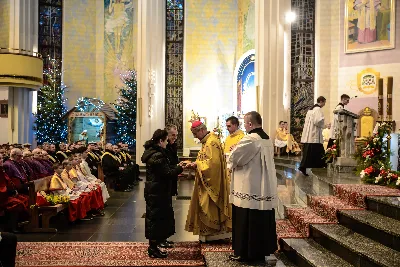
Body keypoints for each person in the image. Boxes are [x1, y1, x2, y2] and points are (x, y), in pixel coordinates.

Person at [228, 111, 278, 262]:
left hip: (249, 187)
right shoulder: (266, 138)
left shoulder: (251, 139)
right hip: (263, 186)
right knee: (260, 218)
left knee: (247, 219)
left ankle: (245, 253)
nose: (244, 126)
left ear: (250, 124)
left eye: (245, 123)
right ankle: (259, 252)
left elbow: (235, 158)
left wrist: (232, 153)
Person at [141, 129, 185, 259]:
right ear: (161, 141)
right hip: (157, 191)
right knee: (155, 219)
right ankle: (153, 248)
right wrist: (180, 167)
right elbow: (167, 173)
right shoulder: (157, 155)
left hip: (157, 190)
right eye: (166, 140)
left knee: (160, 217)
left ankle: (157, 243)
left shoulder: (155, 153)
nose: (167, 143)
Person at [185, 121, 231, 242]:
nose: (195, 137)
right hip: (205, 180)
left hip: (212, 181)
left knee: (208, 205)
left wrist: (196, 164)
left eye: (195, 133)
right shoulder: (207, 141)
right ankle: (208, 231)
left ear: (201, 130)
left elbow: (213, 164)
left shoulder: (211, 142)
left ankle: (213, 231)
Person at [299, 96, 327, 176]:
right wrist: (323, 123)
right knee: (317, 150)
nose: (324, 104)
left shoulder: (310, 110)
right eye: (324, 102)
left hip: (309, 134)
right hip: (314, 134)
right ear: (321, 101)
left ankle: (306, 166)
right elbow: (317, 121)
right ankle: (320, 165)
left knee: (309, 152)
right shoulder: (318, 109)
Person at [165, 124, 179, 196]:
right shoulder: (163, 147)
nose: (175, 137)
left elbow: (174, 159)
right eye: (173, 135)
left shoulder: (173, 145)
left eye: (176, 135)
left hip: (173, 176)